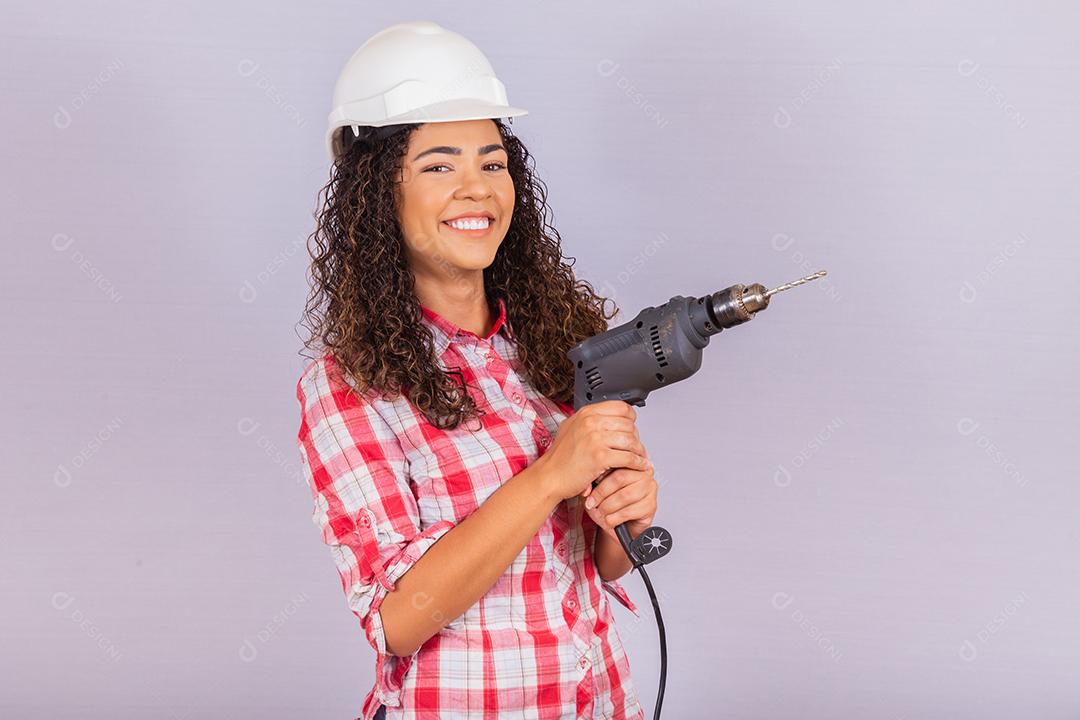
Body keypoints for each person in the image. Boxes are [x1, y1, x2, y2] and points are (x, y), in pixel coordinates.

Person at [295, 21, 659, 720]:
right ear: (377, 196)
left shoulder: (553, 345)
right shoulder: (349, 388)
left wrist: (625, 517)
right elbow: (399, 620)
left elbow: (599, 564)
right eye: (439, 165)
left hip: (601, 702)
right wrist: (551, 475)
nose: (476, 190)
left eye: (492, 163)